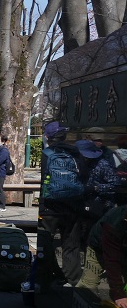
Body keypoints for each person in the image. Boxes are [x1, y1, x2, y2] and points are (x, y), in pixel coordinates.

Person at [40, 121, 88, 285]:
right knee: (71, 244)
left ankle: (45, 276)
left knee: (45, 242)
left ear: (48, 137)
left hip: (50, 207)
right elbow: (83, 176)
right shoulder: (76, 153)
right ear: (65, 136)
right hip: (73, 205)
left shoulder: (46, 153)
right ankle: (72, 278)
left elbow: (43, 179)